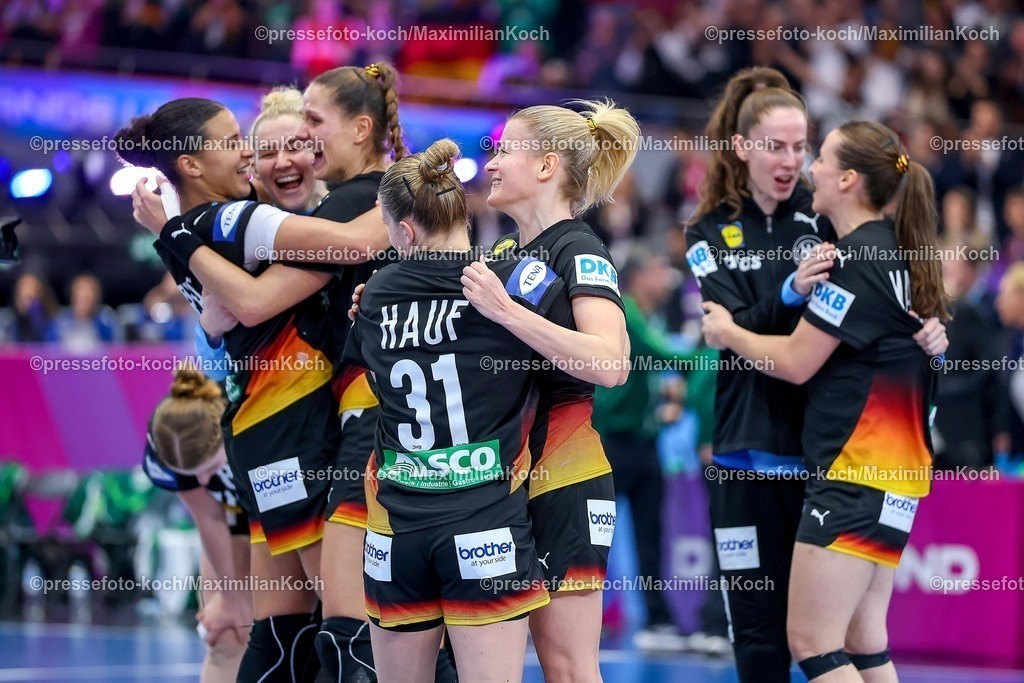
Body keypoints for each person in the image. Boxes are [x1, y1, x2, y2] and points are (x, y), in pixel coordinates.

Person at [683, 67, 947, 683]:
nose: (796, 162)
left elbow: (785, 340)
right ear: (743, 147)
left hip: (826, 457)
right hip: (749, 453)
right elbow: (732, 314)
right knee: (765, 634)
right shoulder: (706, 229)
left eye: (805, 147)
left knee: (818, 639)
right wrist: (787, 293)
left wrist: (932, 332)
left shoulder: (830, 221)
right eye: (776, 146)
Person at [116, 97, 344, 682]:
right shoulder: (235, 222)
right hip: (290, 425)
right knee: (347, 630)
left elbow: (219, 323)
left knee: (282, 632)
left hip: (268, 433)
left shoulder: (196, 232)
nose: (258, 156)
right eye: (247, 143)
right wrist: (400, 192)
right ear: (192, 165)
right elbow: (353, 246)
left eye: (296, 144)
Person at [345, 139, 558, 683]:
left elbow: (377, 381)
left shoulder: (374, 295)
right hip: (485, 518)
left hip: (398, 528)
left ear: (406, 232)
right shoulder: (507, 285)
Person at [459, 99, 638, 682]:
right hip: (498, 477)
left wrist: (508, 312)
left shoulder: (578, 248)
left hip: (565, 477)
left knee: (566, 666)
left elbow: (611, 363)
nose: (491, 164)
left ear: (546, 167)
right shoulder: (505, 255)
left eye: (504, 149)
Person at [143, 367, 251, 683]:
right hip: (229, 517)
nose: (204, 480)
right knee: (225, 635)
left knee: (275, 630)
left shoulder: (250, 424)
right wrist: (230, 599)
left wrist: (242, 598)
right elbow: (210, 518)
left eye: (211, 468)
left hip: (275, 515)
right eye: (194, 475)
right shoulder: (167, 443)